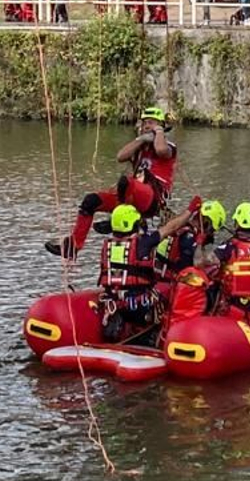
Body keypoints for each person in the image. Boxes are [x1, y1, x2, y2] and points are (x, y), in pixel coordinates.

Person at [45, 106, 177, 259]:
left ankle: (114, 219)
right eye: (144, 122)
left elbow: (161, 151)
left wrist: (159, 132)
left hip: (152, 197)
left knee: (126, 182)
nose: (147, 125)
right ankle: (73, 246)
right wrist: (140, 139)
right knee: (91, 200)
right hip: (130, 196)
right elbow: (121, 156)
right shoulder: (140, 147)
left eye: (151, 122)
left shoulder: (169, 147)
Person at [95, 202, 166, 343]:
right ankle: (152, 335)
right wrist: (189, 211)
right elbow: (171, 228)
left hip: (113, 304)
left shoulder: (107, 246)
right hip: (139, 306)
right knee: (163, 297)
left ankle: (118, 323)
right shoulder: (142, 243)